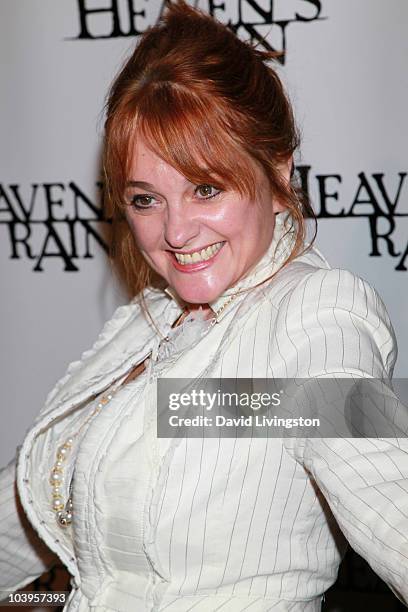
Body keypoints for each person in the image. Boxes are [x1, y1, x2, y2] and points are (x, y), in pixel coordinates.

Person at [1, 2, 407, 610]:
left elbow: (389, 493)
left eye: (206, 188)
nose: (176, 232)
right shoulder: (148, 321)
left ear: (276, 174)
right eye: (145, 198)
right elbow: (36, 511)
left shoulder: (316, 315)